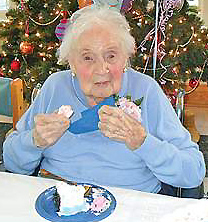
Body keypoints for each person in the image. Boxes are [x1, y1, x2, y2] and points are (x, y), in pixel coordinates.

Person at [3, 5, 205, 196]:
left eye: (111, 55)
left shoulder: (146, 90)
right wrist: (35, 141)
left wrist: (143, 143)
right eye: (88, 58)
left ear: (125, 58)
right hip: (59, 202)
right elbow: (12, 162)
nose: (102, 69)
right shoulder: (55, 86)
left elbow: (193, 171)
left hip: (131, 204)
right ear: (71, 63)